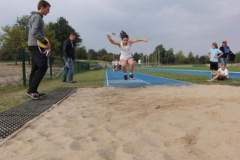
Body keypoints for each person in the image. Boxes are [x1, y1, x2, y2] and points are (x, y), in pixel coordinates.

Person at [26, 0, 51, 100]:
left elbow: (32, 32)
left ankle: (33, 90)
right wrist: (46, 43)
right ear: (42, 7)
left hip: (32, 44)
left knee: (36, 68)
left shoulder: (34, 17)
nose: (48, 11)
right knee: (43, 66)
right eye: (47, 9)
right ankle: (31, 90)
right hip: (35, 45)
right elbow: (35, 32)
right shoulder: (37, 17)